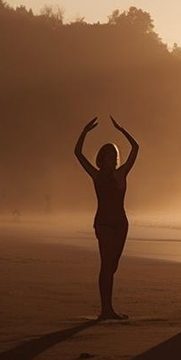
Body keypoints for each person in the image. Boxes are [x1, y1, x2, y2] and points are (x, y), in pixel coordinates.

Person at [74, 116, 139, 319]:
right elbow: (78, 153)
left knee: (113, 265)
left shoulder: (122, 174)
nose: (111, 159)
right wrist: (84, 131)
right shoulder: (96, 174)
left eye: (113, 156)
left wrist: (122, 129)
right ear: (101, 159)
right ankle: (106, 310)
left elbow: (136, 148)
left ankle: (108, 308)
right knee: (106, 263)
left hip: (121, 224)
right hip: (103, 224)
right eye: (107, 156)